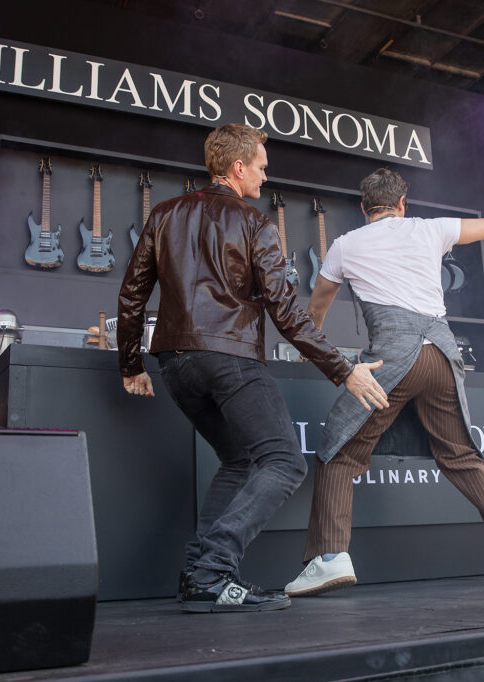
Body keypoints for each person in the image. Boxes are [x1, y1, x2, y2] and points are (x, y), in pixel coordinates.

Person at [284, 167, 484, 596]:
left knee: (337, 448)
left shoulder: (344, 245)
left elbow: (315, 310)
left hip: (391, 362)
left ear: (363, 207)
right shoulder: (431, 229)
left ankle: (330, 558)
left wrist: (309, 350)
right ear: (401, 204)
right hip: (444, 356)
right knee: (462, 454)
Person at [117, 123, 389, 614]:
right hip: (229, 359)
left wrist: (131, 364)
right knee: (285, 462)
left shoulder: (162, 214)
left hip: (175, 364)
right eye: (262, 167)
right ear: (238, 167)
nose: (266, 178)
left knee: (240, 461)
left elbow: (132, 295)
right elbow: (285, 310)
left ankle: (200, 575)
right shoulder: (256, 223)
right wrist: (345, 370)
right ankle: (213, 569)